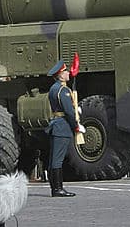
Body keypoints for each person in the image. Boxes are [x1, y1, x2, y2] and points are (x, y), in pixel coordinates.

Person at [45, 60, 81, 198]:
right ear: (60, 75)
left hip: (56, 124)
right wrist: (76, 125)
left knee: (54, 158)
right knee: (58, 159)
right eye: (65, 71)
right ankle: (58, 189)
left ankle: (55, 188)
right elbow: (69, 112)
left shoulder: (54, 89)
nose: (67, 73)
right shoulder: (63, 90)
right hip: (63, 126)